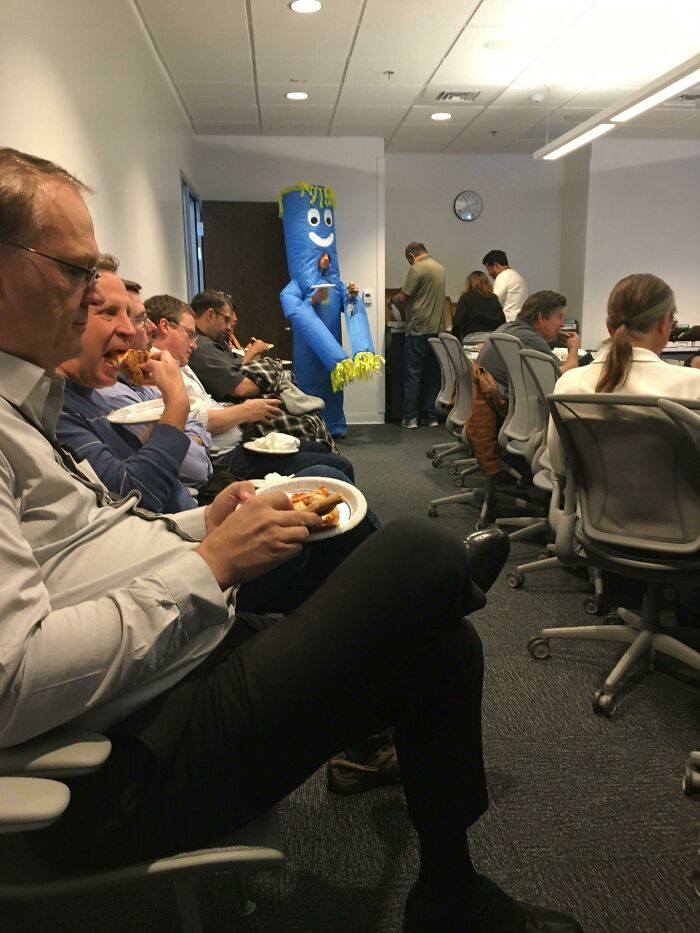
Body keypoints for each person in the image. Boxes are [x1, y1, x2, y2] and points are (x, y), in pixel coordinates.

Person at [0, 148, 583, 933]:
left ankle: (449, 890)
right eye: (75, 270)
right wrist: (208, 565)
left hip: (173, 675)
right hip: (121, 761)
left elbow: (85, 548)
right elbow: (11, 682)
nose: (94, 302)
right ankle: (439, 584)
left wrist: (200, 523)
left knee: (445, 645)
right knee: (418, 551)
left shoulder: (26, 409)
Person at [144, 294, 357, 484]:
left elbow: (201, 409)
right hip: (225, 459)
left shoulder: (180, 363)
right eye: (189, 334)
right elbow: (190, 420)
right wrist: (246, 411)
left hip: (236, 442)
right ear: (165, 326)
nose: (194, 344)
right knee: (338, 466)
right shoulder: (155, 373)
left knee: (319, 448)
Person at [55, 259, 203, 512]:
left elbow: (132, 459)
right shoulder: (56, 408)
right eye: (109, 312)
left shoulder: (90, 393)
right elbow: (136, 494)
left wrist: (208, 516)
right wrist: (177, 402)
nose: (130, 330)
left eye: (129, 315)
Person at [548, 273, 700, 475]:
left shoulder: (569, 385)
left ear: (609, 326)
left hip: (597, 497)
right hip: (682, 496)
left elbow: (558, 464)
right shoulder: (694, 387)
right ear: (664, 323)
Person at [477, 290, 581, 399]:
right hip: (507, 403)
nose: (563, 324)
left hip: (491, 398)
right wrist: (574, 348)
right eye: (560, 317)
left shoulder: (509, 328)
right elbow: (565, 377)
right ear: (541, 318)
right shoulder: (529, 338)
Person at [391, 241, 446, 430]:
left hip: (417, 330)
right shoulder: (440, 268)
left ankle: (410, 417)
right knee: (432, 375)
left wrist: (391, 300)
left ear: (411, 256)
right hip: (437, 331)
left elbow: (403, 296)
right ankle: (430, 417)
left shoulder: (417, 269)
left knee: (413, 374)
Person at [452, 271, 505, 343]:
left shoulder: (466, 297)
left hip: (473, 338)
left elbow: (457, 322)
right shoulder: (494, 298)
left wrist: (456, 339)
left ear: (469, 283)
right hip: (493, 340)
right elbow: (502, 321)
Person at [482, 250, 528, 322]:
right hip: (520, 322)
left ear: (496, 265)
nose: (489, 274)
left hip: (508, 323)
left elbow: (493, 302)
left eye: (489, 269)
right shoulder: (517, 276)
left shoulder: (503, 276)